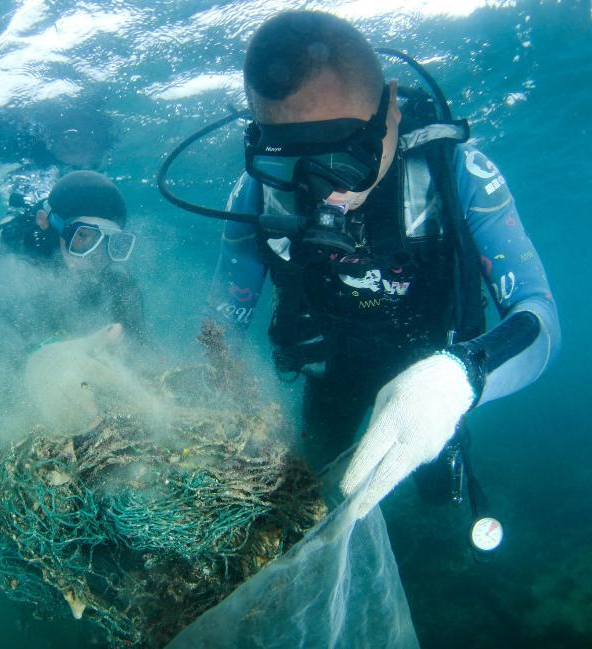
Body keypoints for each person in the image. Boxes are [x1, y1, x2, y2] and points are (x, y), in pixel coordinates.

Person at [194, 10, 561, 521]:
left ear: (388, 111)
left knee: (437, 497)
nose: (324, 196)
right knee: (312, 497)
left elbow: (539, 318)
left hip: (432, 378)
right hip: (332, 377)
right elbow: (218, 328)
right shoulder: (258, 192)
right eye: (286, 163)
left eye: (343, 160)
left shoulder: (457, 174)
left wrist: (461, 378)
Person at [0, 170, 148, 597]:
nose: (96, 256)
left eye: (112, 243)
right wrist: (42, 360)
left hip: (75, 405)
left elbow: (138, 351)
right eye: (83, 238)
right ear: (48, 224)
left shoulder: (119, 284)